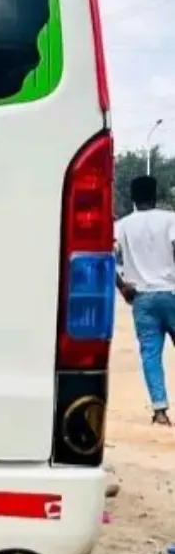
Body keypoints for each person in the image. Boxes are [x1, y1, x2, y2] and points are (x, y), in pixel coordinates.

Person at [114, 173, 175, 426]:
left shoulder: (123, 225)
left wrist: (122, 286)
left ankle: (160, 411)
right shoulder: (170, 219)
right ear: (156, 194)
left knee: (151, 354)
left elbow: (107, 258)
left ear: (132, 197)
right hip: (171, 292)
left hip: (141, 297)